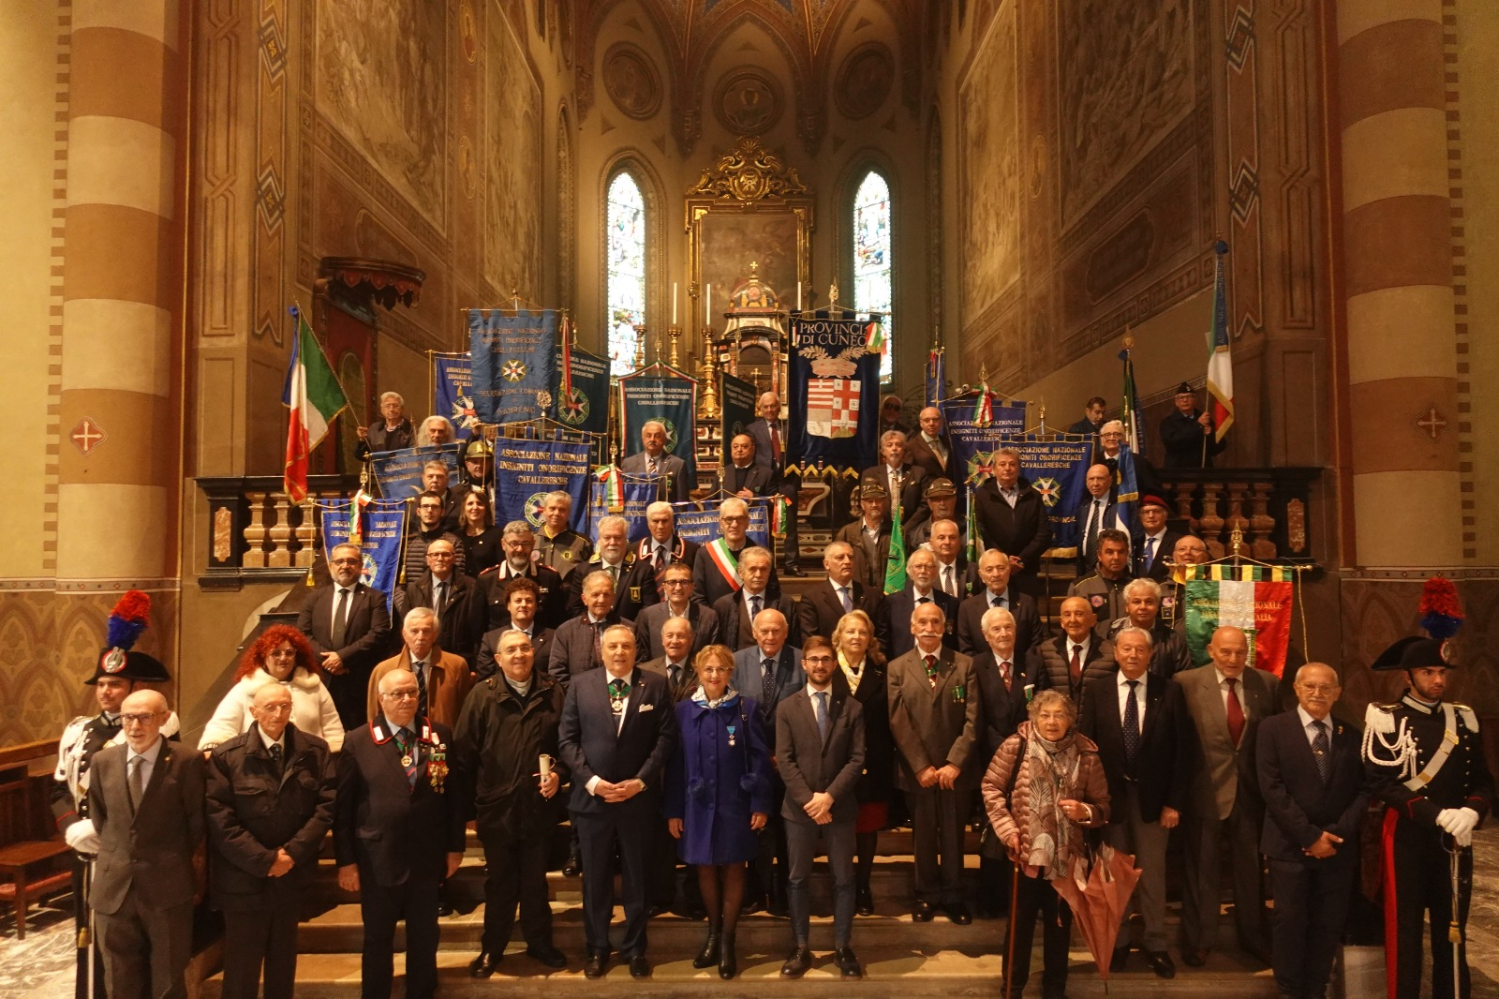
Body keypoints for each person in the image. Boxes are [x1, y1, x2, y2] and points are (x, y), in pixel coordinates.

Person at [53, 598, 174, 999]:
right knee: (85, 935)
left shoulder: (155, 732)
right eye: (101, 685)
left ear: (134, 688)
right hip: (86, 854)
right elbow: (58, 789)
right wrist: (71, 826)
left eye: (115, 685)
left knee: (128, 947)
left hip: (128, 855)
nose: (106, 692)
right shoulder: (77, 731)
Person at [1363, 634, 1494, 999]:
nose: (1437, 680)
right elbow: (1381, 782)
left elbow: (1483, 779)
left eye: (1441, 672)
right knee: (1406, 936)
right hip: (1408, 839)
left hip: (1455, 841)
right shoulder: (1387, 719)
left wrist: (1472, 810)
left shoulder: (1464, 719)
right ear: (1408, 676)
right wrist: (1436, 815)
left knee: (1452, 932)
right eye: (1427, 672)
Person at [336, 668, 466, 999]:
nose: (406, 699)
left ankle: (421, 991)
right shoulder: (358, 740)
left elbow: (453, 796)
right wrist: (346, 862)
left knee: (425, 934)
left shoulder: (439, 735)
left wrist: (455, 847)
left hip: (427, 855)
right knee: (378, 937)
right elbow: (343, 809)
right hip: (377, 857)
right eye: (397, 694)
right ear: (381, 699)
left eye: (411, 692)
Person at [558, 624, 679, 980]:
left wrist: (640, 782)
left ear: (635, 650)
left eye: (626, 646)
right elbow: (567, 741)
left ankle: (635, 948)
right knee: (595, 881)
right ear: (601, 650)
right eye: (612, 646)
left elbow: (665, 739)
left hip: (636, 802)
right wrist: (594, 783)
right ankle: (596, 948)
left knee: (638, 879)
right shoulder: (580, 685)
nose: (619, 652)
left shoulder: (655, 685)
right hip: (592, 803)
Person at [450, 630, 569, 978]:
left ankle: (539, 943)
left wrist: (560, 774)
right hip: (495, 809)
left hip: (539, 807)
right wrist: (469, 812)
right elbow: (462, 758)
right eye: (510, 650)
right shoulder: (481, 695)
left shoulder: (553, 692)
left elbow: (567, 746)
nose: (519, 655)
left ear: (534, 653)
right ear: (498, 659)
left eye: (524, 648)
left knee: (535, 882)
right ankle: (493, 947)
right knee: (500, 883)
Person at [205, 684, 336, 999]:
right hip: (243, 880)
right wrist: (265, 861)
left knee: (283, 965)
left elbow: (326, 806)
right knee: (241, 970)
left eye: (285, 706)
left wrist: (291, 854)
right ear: (253, 711)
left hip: (291, 878)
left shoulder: (315, 751)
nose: (278, 714)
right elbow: (220, 819)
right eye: (270, 707)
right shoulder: (227, 756)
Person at [1078, 627, 1193, 979]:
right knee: (1113, 876)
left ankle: (1156, 943)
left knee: (1152, 876)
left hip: (1154, 802)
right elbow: (1085, 749)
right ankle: (1120, 942)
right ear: (1116, 652)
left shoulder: (1170, 691)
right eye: (1126, 649)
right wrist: (1090, 803)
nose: (1132, 655)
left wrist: (1173, 803)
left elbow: (1183, 752)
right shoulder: (1097, 691)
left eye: (1139, 650)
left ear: (1150, 654)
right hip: (1111, 803)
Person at [983, 689, 1111, 999]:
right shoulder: (1017, 746)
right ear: (1034, 717)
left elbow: (1104, 806)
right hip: (1025, 855)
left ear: (1070, 720)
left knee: (1058, 928)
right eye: (1045, 715)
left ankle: (1055, 990)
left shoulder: (1086, 754)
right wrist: (1007, 829)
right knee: (1019, 929)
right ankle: (1012, 990)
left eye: (1059, 715)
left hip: (1066, 859)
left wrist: (1086, 812)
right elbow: (992, 788)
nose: (1052, 721)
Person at [1258, 663, 1367, 999]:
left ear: (1337, 693)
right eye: (1310, 687)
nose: (1317, 694)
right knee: (1289, 922)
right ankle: (1290, 990)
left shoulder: (1353, 734)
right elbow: (1271, 788)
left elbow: (1364, 790)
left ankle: (1317, 988)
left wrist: (1333, 835)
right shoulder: (1273, 728)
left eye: (1325, 688)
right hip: (1289, 847)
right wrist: (1309, 836)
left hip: (1337, 848)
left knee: (1327, 923)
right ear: (1297, 689)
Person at [89, 689, 206, 999]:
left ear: (164, 719)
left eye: (145, 717)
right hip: (114, 888)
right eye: (128, 717)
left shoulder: (187, 761)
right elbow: (103, 821)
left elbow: (196, 824)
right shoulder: (103, 761)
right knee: (118, 975)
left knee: (168, 978)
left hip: (167, 886)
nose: (134, 726)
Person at [666, 644, 773, 979]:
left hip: (735, 804)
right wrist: (673, 810)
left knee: (734, 868)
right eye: (708, 669)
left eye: (721, 669)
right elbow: (675, 764)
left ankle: (728, 941)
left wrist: (759, 803)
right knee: (705, 869)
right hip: (696, 805)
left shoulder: (746, 708)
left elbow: (760, 760)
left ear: (730, 672)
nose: (714, 676)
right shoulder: (683, 711)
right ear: (698, 672)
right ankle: (712, 934)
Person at [1174, 625, 1279, 966]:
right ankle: (1199, 939)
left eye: (1240, 652)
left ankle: (1252, 938)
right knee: (1201, 872)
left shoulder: (1267, 683)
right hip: (1203, 792)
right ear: (1211, 650)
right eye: (1226, 652)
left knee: (1250, 872)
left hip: (1251, 796)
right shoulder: (1186, 683)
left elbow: (1275, 742)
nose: (1234, 659)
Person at [778, 636, 867, 980]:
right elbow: (784, 760)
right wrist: (810, 801)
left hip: (840, 807)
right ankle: (801, 947)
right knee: (797, 879)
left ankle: (843, 947)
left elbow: (857, 759)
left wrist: (829, 797)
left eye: (826, 659)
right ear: (804, 664)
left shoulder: (853, 707)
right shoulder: (788, 708)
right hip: (798, 810)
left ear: (835, 662)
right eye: (813, 659)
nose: (819, 665)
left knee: (844, 879)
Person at [888, 601, 979, 924]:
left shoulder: (964, 665)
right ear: (912, 627)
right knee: (923, 836)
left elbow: (972, 719)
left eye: (935, 622)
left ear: (945, 627)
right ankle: (926, 895)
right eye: (922, 622)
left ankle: (954, 896)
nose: (929, 628)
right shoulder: (897, 667)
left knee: (954, 835)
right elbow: (898, 720)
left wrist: (955, 762)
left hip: (956, 771)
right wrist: (920, 766)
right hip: (919, 772)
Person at [969, 606, 1043, 919]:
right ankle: (992, 899)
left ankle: (1026, 899)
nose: (1003, 634)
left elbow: (1041, 708)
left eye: (1007, 628)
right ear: (986, 636)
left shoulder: (1033, 663)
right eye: (996, 630)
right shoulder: (976, 665)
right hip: (992, 759)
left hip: (1030, 759)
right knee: (996, 829)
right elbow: (975, 714)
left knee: (1028, 827)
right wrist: (1004, 749)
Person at [732, 608, 806, 915]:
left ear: (786, 632)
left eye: (776, 630)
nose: (770, 636)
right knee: (755, 830)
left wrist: (783, 754)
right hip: (750, 764)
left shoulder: (802, 661)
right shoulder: (737, 662)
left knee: (788, 832)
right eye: (764, 631)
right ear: (754, 631)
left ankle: (785, 894)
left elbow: (807, 714)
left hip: (792, 763)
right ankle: (755, 891)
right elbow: (731, 713)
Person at [829, 610, 893, 915]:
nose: (856, 637)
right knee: (840, 829)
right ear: (839, 636)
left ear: (870, 639)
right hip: (836, 764)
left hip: (873, 762)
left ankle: (863, 885)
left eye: (862, 632)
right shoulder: (826, 671)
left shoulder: (883, 671)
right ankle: (842, 885)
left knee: (868, 829)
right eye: (850, 631)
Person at [199, 624, 345, 753]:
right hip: (258, 766)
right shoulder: (247, 688)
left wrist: (336, 756)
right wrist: (212, 749)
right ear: (263, 657)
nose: (283, 658)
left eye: (289, 653)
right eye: (275, 653)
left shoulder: (314, 687)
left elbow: (332, 728)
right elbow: (222, 727)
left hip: (309, 765)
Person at [297, 542, 392, 731]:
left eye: (351, 561)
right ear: (331, 565)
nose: (345, 566)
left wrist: (342, 658)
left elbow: (379, 633)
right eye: (339, 561)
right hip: (322, 680)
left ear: (360, 566)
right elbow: (302, 633)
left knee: (359, 735)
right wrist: (329, 661)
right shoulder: (314, 598)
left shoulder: (375, 597)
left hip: (359, 680)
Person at [366, 607, 474, 728]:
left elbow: (465, 713)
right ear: (404, 634)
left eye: (426, 631)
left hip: (441, 740)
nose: (420, 637)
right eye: (414, 631)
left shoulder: (456, 665)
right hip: (398, 740)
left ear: (435, 634)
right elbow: (374, 714)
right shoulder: (383, 670)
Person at [972, 448, 1052, 597]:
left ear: (1018, 468)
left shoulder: (1033, 495)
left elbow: (1044, 533)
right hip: (995, 571)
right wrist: (1004, 560)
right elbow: (982, 532)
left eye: (1012, 464)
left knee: (1025, 614)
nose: (1007, 468)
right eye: (1002, 464)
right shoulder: (983, 496)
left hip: (1026, 570)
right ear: (994, 469)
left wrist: (1021, 560)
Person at [394, 537, 484, 668]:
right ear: (428, 560)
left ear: (454, 558)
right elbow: (404, 628)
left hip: (461, 661)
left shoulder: (472, 587)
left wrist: (475, 665)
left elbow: (479, 630)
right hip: (423, 659)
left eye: (445, 554)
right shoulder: (414, 589)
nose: (440, 558)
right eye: (435, 554)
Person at [745, 390, 803, 576]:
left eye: (773, 405)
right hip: (763, 482)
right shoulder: (753, 429)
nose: (770, 409)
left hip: (786, 481)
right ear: (760, 409)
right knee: (765, 522)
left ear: (779, 407)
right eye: (766, 406)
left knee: (790, 524)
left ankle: (791, 564)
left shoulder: (789, 427)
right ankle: (766, 564)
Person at [1028, 596, 1116, 712]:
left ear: (1093, 620)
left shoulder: (1111, 652)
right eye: (1067, 614)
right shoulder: (1045, 651)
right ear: (1061, 622)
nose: (1073, 620)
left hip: (1096, 726)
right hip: (1057, 725)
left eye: (1079, 614)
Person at [798, 540, 890, 650]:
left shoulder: (872, 595)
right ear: (826, 564)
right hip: (830, 663)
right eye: (840, 557)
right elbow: (811, 640)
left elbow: (882, 636)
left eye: (850, 557)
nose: (847, 561)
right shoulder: (812, 597)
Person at [692, 497, 780, 608]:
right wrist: (713, 622)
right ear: (721, 523)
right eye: (729, 519)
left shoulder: (763, 554)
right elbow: (697, 597)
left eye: (740, 519)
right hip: (717, 621)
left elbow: (773, 594)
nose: (734, 524)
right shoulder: (705, 554)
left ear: (747, 522)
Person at [478, 521, 567, 631]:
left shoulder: (549, 577)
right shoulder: (487, 580)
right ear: (503, 544)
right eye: (514, 543)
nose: (520, 549)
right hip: (499, 646)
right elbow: (477, 626)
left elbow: (558, 622)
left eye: (525, 544)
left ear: (533, 544)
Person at [549, 569, 634, 684]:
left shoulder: (629, 629)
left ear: (613, 598)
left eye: (607, 595)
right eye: (595, 595)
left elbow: (637, 667)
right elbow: (557, 672)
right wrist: (580, 695)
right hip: (578, 698)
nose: (601, 600)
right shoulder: (565, 631)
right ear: (584, 599)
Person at [956, 548, 1041, 659]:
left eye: (1001, 568)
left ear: (1009, 570)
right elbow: (966, 649)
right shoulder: (967, 608)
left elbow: (1036, 643)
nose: (996, 574)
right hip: (981, 673)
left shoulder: (1027, 603)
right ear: (981, 575)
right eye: (989, 569)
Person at [1104, 577, 1193, 677]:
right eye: (1137, 602)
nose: (1143, 607)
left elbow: (1183, 677)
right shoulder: (1111, 634)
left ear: (1157, 606)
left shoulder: (1173, 639)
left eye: (1149, 602)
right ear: (1127, 606)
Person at [634, 561, 720, 661]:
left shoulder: (709, 617)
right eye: (672, 582)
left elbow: (713, 656)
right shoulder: (647, 616)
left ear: (692, 586)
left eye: (684, 582)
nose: (678, 588)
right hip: (658, 675)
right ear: (664, 587)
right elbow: (642, 658)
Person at [711, 546, 793, 651]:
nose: (758, 575)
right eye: (752, 569)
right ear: (740, 572)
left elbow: (793, 644)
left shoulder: (785, 603)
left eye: (763, 569)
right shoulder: (723, 605)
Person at [886, 547, 959, 658]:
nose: (923, 571)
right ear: (909, 570)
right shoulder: (892, 603)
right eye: (918, 566)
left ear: (936, 571)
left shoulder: (950, 603)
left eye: (928, 567)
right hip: (903, 669)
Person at [475, 577, 553, 680]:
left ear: (536, 606)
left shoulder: (553, 637)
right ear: (508, 605)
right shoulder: (491, 640)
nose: (523, 605)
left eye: (529, 600)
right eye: (518, 600)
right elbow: (486, 680)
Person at [569, 515, 641, 619]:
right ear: (599, 541)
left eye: (617, 537)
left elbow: (646, 611)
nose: (612, 542)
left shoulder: (642, 570)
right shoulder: (583, 570)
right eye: (607, 538)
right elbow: (575, 608)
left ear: (626, 541)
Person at [1069, 527, 1134, 629]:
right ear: (1099, 555)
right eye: (1109, 552)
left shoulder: (1136, 586)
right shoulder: (1080, 587)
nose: (1116, 557)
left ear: (1127, 554)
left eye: (1121, 552)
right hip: (1096, 644)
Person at [834, 481, 892, 589]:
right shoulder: (847, 533)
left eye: (878, 501)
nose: (874, 504)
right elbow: (835, 566)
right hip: (857, 594)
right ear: (862, 504)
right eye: (870, 501)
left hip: (889, 595)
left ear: (885, 503)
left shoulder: (897, 533)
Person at [861, 430, 928, 519]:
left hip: (912, 528)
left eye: (899, 445)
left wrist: (908, 528)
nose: (894, 448)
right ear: (883, 451)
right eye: (889, 445)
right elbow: (866, 503)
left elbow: (925, 504)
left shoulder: (919, 473)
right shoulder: (871, 474)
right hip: (881, 527)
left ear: (904, 450)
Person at [1160, 382, 1227, 468]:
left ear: (1195, 400)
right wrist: (1198, 426)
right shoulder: (1168, 422)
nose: (1185, 400)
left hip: (1203, 470)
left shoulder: (1206, 420)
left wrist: (1210, 434)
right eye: (1181, 398)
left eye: (1188, 397)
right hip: (1178, 472)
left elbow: (1217, 448)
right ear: (1176, 402)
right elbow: (1173, 443)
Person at [621, 419, 691, 503]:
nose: (652, 439)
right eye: (648, 435)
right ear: (642, 438)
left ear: (665, 439)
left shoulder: (678, 465)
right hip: (637, 515)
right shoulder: (629, 464)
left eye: (657, 436)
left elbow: (682, 502)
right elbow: (624, 497)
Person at [404, 490, 468, 580]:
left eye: (434, 507)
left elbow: (457, 579)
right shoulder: (406, 543)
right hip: (409, 593)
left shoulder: (454, 542)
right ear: (418, 511)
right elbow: (396, 581)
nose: (430, 510)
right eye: (425, 506)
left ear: (442, 512)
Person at [534, 490, 593, 581]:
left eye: (562, 510)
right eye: (552, 508)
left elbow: (591, 576)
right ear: (544, 510)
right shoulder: (532, 540)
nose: (556, 513)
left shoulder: (582, 543)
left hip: (570, 595)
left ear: (569, 513)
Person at [1074, 463, 1122, 572]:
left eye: (1100, 479)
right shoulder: (1083, 506)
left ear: (1110, 481)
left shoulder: (1120, 506)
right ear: (1086, 482)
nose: (1095, 483)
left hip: (1112, 568)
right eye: (1091, 479)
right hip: (1086, 569)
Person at [1159, 533, 1210, 630]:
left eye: (1194, 549)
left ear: (1205, 557)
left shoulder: (1214, 588)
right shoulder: (1161, 588)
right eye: (1182, 549)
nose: (1188, 552)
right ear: (1174, 556)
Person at [355, 391, 415, 461]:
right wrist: (362, 440)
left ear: (402, 409)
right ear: (382, 410)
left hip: (402, 470)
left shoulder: (411, 429)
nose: (391, 409)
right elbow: (362, 457)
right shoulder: (374, 429)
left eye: (395, 406)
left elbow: (414, 455)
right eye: (387, 406)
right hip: (377, 471)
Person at [1134, 495, 1181, 582]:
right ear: (1140, 517)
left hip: (1169, 592)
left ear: (1165, 515)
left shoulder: (1179, 541)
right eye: (1146, 512)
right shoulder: (1135, 543)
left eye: (1156, 511)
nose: (1151, 516)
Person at [456, 489, 504, 576]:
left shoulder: (497, 534)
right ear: (463, 508)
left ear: (486, 508)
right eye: (470, 504)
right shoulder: (456, 536)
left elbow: (502, 567)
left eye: (479, 503)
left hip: (487, 587)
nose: (475, 507)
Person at [906, 477, 961, 550]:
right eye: (937, 499)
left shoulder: (968, 530)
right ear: (929, 504)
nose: (942, 503)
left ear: (955, 500)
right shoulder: (916, 536)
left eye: (946, 498)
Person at [926, 518, 975, 599]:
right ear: (931, 544)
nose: (947, 542)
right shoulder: (925, 571)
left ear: (959, 542)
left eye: (952, 537)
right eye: (941, 538)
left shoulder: (972, 570)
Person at [905, 406, 953, 481]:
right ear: (921, 423)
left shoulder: (947, 442)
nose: (931, 423)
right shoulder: (911, 446)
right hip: (924, 491)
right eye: (927, 420)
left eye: (935, 419)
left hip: (949, 490)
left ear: (941, 421)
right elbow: (909, 476)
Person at [721, 432, 771, 497]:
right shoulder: (722, 472)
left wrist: (753, 498)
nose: (739, 450)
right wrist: (718, 507)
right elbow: (710, 500)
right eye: (735, 447)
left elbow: (774, 501)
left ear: (753, 449)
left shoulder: (766, 474)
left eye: (744, 446)